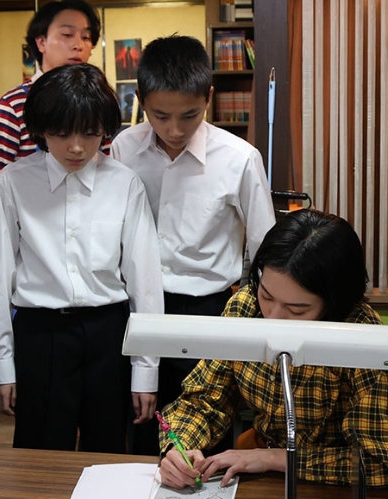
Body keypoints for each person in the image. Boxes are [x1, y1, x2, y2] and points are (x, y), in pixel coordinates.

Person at [158, 209, 388, 489]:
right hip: (258, 467)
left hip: (331, 482)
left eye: (296, 310)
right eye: (266, 296)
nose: (274, 317)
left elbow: (381, 463)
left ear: (334, 303)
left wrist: (277, 459)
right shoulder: (246, 308)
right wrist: (180, 448)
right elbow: (203, 401)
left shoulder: (359, 333)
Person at [0, 63, 164, 453]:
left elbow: (145, 282)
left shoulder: (124, 183)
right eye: (62, 134)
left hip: (108, 333)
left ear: (105, 130)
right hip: (39, 334)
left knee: (107, 453)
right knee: (39, 458)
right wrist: (1, 365)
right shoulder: (13, 182)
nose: (77, 147)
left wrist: (146, 372)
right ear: (41, 130)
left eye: (90, 133)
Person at [111, 35, 275, 455]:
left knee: (203, 435)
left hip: (207, 311)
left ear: (209, 98)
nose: (175, 130)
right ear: (140, 100)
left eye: (190, 115)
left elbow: (265, 247)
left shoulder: (239, 158)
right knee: (139, 428)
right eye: (160, 115)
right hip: (135, 308)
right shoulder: (123, 149)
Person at [0, 0, 102, 222]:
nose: (78, 45)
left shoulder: (98, 102)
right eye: (67, 35)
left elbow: (106, 166)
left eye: (86, 37)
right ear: (41, 42)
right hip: (30, 223)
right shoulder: (14, 104)